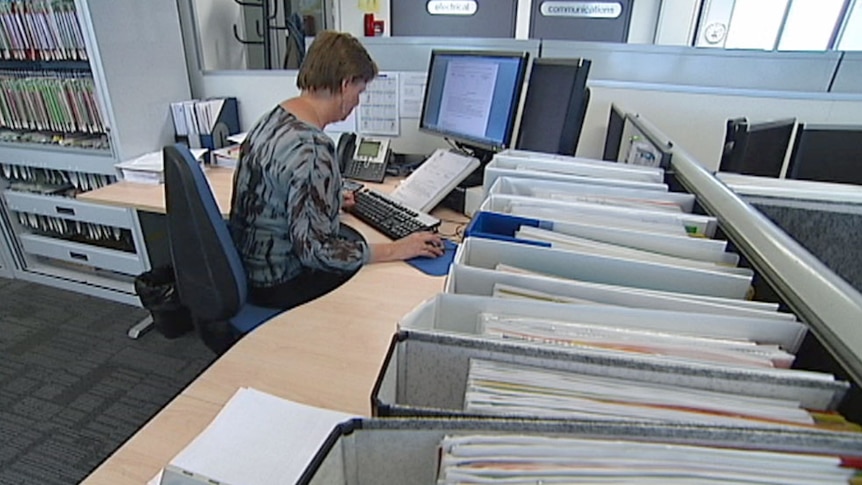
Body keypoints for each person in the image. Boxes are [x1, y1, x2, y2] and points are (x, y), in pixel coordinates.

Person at [229, 31, 443, 310]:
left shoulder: (273, 119)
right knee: (387, 287)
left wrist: (326, 198)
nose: (358, 102)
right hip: (282, 283)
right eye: (360, 91)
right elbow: (315, 251)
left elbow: (280, 192)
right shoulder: (314, 148)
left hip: (253, 268)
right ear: (345, 85)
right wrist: (398, 248)